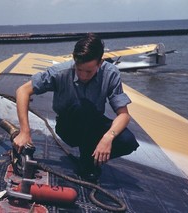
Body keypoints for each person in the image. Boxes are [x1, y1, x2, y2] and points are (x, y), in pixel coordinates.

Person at [13, 33, 139, 182]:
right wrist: (24, 131)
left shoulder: (111, 74)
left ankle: (91, 158)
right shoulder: (61, 72)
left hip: (93, 123)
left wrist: (107, 138)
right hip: (69, 127)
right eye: (79, 70)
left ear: (100, 63)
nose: (83, 75)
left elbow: (124, 115)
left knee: (128, 141)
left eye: (89, 71)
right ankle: (88, 165)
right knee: (83, 107)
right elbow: (23, 91)